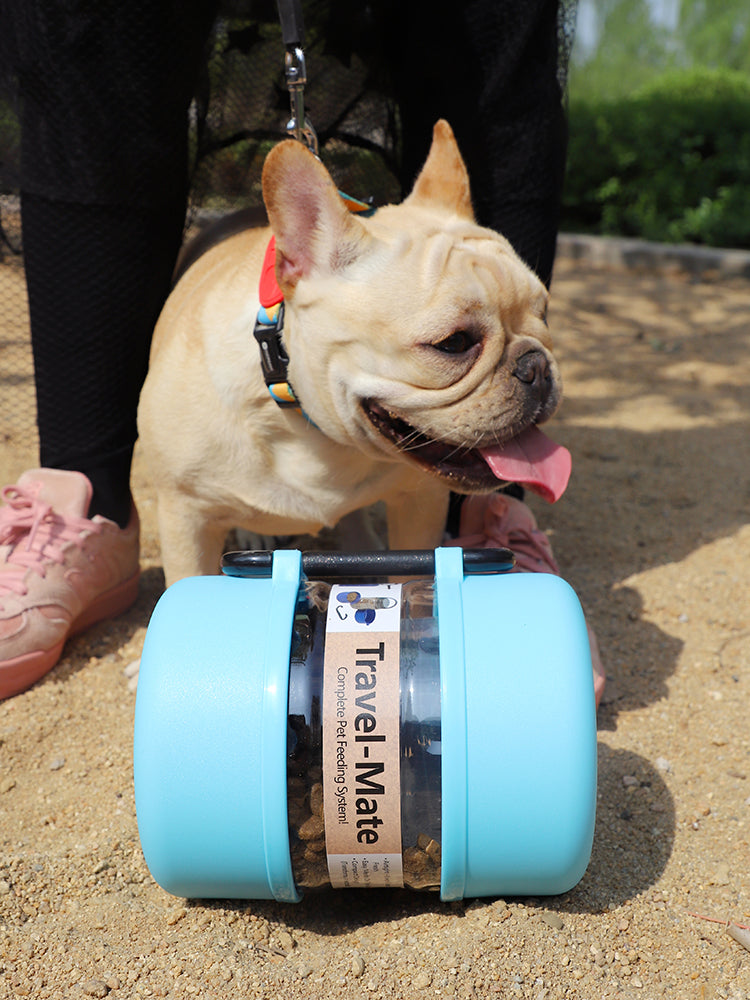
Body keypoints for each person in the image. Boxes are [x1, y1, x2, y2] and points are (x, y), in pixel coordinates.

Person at [1, 1, 603, 703]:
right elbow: (189, 503)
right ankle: (88, 509)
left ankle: (472, 535)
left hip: (386, 447)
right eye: (455, 344)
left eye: (535, 324)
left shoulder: (417, 374)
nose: (528, 371)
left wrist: (414, 614)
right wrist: (193, 632)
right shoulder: (197, 398)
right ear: (303, 266)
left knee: (485, 30)